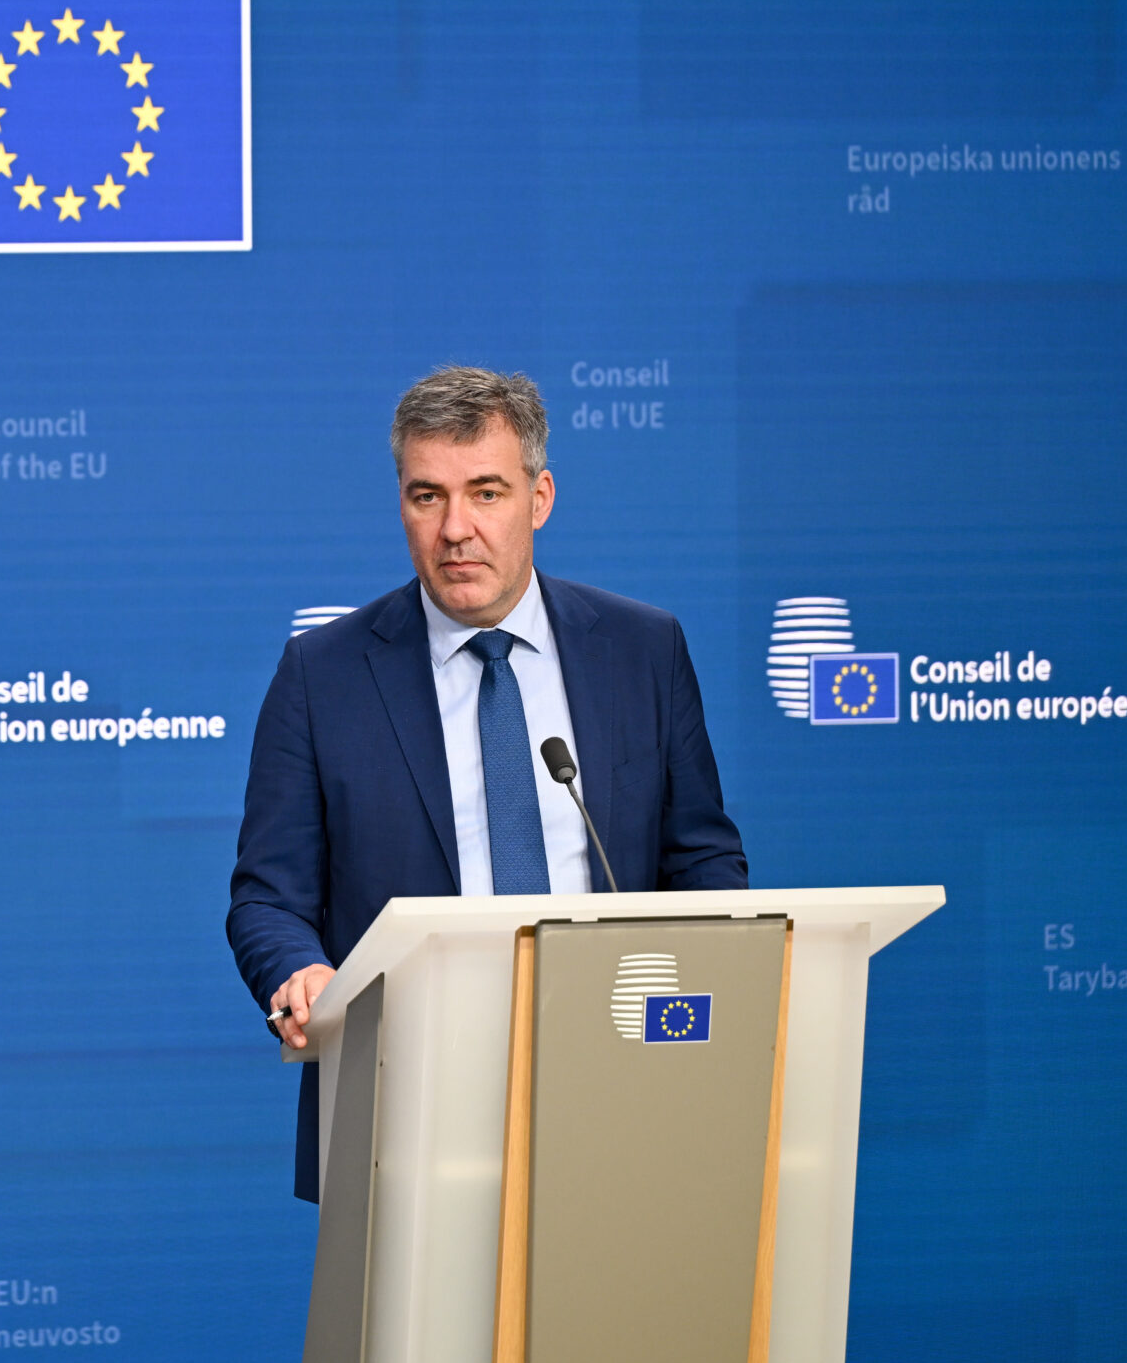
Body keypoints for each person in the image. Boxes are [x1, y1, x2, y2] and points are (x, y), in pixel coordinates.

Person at [226, 366, 747, 1199]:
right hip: (405, 1102)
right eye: (427, 496)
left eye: (486, 492)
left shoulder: (643, 651)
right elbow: (267, 898)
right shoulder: (322, 676)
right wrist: (301, 973)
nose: (455, 528)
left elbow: (705, 863)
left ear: (539, 498)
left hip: (626, 1081)